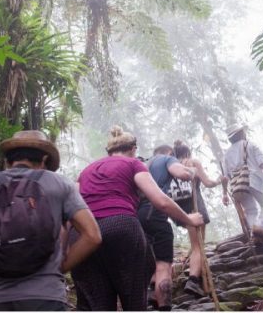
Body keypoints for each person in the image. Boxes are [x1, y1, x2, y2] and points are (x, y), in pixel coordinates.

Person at [0, 130, 102, 311]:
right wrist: (60, 268)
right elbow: (93, 235)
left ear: (6, 161)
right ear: (44, 160)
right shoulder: (60, 184)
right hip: (45, 297)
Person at [71, 126, 203, 311]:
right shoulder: (133, 164)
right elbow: (161, 201)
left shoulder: (86, 171)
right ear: (133, 149)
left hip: (83, 234)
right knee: (134, 299)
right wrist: (190, 219)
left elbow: (71, 205)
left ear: (108, 152)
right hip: (121, 225)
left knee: (95, 303)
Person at [137, 144, 196, 310]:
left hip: (136, 216)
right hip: (154, 213)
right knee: (164, 265)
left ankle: (151, 297)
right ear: (170, 153)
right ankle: (164, 307)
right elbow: (182, 173)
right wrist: (192, 171)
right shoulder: (167, 159)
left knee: (149, 260)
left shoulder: (143, 164)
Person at [171, 139, 221, 297]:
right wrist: (219, 180)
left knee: (196, 244)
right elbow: (207, 183)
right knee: (199, 245)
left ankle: (198, 275)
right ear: (188, 152)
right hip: (195, 206)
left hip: (179, 209)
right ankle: (193, 280)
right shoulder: (193, 162)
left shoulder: (172, 165)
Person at [221, 123, 263, 230]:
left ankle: (254, 234)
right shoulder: (250, 145)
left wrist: (225, 193)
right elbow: (262, 163)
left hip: (238, 185)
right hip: (255, 180)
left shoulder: (227, 155)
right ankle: (260, 230)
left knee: (251, 211)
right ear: (240, 133)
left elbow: (225, 177)